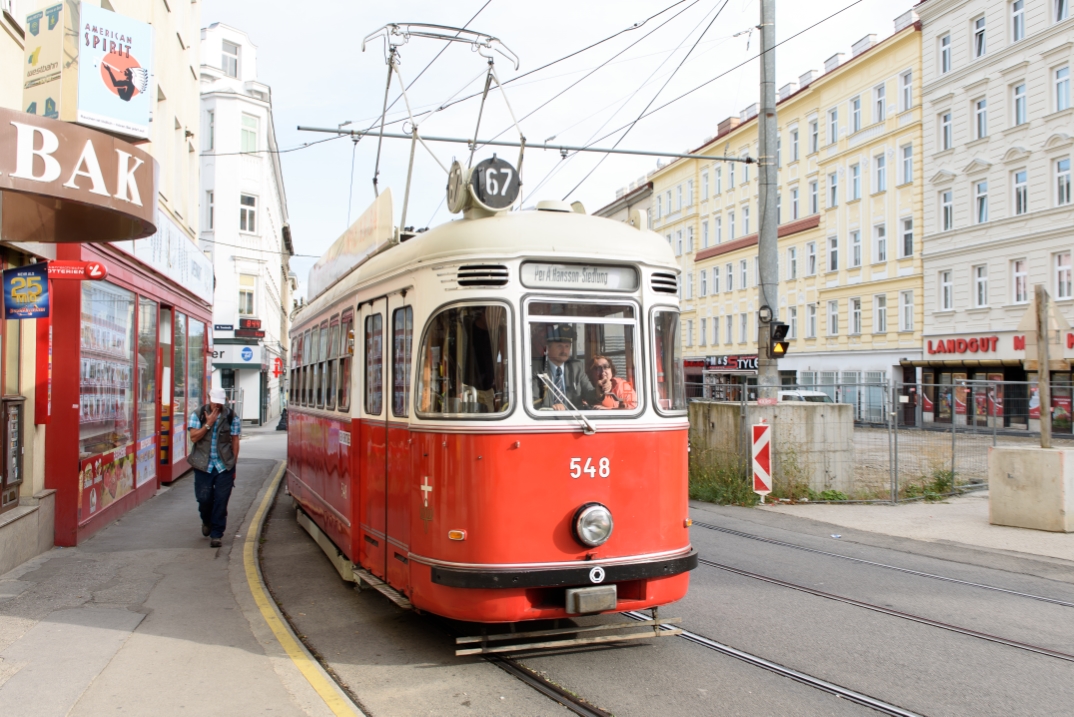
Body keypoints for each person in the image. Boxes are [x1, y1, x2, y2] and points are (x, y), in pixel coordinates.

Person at [188, 387, 241, 548]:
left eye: (220, 402)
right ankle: (206, 520)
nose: (217, 405)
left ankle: (217, 534)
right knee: (204, 498)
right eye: (214, 402)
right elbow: (194, 437)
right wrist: (209, 424)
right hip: (203, 465)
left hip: (224, 465)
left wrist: (233, 465)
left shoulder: (231, 416)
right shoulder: (198, 414)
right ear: (209, 398)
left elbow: (235, 440)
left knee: (221, 500)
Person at [531, 324, 597, 410]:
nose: (564, 351)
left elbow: (590, 395)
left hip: (574, 419)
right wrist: (552, 407)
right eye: (559, 346)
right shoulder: (536, 369)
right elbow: (533, 399)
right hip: (545, 419)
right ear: (548, 349)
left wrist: (600, 391)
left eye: (567, 346)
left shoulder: (576, 367)